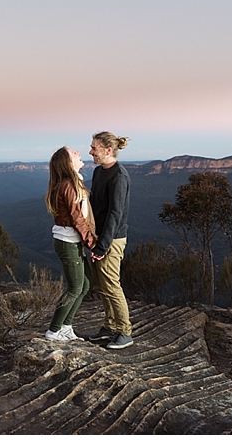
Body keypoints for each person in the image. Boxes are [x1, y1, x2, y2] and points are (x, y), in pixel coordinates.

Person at [43, 146, 96, 342]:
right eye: (72, 152)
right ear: (67, 162)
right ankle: (53, 331)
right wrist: (92, 243)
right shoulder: (68, 186)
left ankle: (66, 326)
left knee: (86, 284)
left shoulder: (72, 183)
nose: (77, 152)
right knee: (75, 288)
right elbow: (77, 219)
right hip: (68, 242)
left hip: (73, 241)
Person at [87, 131, 133, 349]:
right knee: (101, 285)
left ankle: (125, 332)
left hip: (112, 240)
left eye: (94, 148)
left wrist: (103, 246)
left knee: (112, 285)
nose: (90, 151)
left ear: (107, 150)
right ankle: (110, 326)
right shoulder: (99, 172)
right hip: (99, 237)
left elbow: (115, 214)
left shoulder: (119, 177)